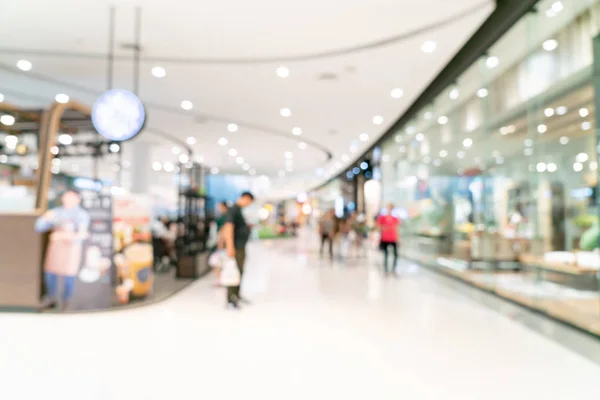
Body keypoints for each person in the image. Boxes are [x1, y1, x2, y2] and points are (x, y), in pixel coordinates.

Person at [35, 190, 90, 310]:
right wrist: (46, 218)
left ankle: (67, 300)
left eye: (71, 197)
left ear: (77, 199)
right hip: (56, 248)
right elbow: (39, 226)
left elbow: (82, 234)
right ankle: (51, 298)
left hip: (71, 249)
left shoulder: (82, 215)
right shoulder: (56, 212)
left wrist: (67, 236)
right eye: (66, 197)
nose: (68, 200)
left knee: (69, 276)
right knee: (50, 273)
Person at [222, 192, 255, 309]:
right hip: (235, 247)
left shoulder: (238, 210)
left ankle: (236, 295)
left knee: (239, 271)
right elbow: (228, 227)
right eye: (249, 201)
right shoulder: (233, 210)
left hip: (240, 246)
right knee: (233, 271)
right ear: (245, 198)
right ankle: (231, 298)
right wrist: (230, 246)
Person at [377, 203, 400, 276]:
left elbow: (396, 229)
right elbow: (378, 226)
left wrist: (398, 239)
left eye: (391, 208)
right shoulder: (382, 218)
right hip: (385, 238)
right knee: (386, 255)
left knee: (395, 255)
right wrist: (385, 228)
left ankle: (394, 269)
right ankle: (386, 271)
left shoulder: (395, 218)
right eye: (388, 208)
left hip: (393, 238)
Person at [212, 202, 229, 286]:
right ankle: (220, 278)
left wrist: (221, 241)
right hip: (220, 241)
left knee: (218, 261)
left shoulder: (226, 217)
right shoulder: (223, 216)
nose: (219, 209)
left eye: (220, 207)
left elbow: (224, 229)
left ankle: (220, 279)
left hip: (223, 242)